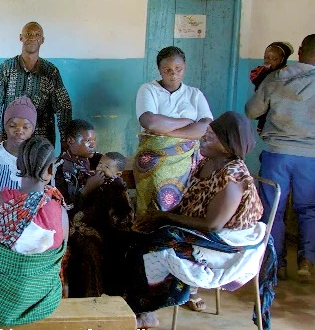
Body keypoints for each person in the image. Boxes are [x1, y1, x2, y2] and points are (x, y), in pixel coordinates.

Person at [124, 112, 273, 329]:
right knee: (132, 235)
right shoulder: (206, 162)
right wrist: (158, 217)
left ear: (226, 146)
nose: (203, 138)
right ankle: (130, 304)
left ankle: (148, 310)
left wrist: (165, 217)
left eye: (210, 136)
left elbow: (213, 225)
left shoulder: (232, 177)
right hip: (203, 231)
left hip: (222, 242)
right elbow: (190, 204)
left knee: (151, 248)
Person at [0, 136, 68, 326]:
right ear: (50, 170)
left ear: (17, 164)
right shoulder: (60, 212)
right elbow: (58, 261)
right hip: (41, 303)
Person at [246, 34, 315, 282]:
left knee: (272, 209)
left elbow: (253, 111)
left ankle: (277, 264)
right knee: (308, 209)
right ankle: (307, 261)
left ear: (298, 51)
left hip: (277, 153)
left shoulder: (277, 78)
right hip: (311, 157)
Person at [134, 46, 213, 213]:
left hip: (189, 154)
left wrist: (167, 130)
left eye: (178, 69)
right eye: (167, 70)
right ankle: (155, 227)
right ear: (159, 70)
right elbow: (151, 123)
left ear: (185, 67)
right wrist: (187, 121)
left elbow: (206, 127)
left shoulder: (194, 94)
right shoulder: (149, 90)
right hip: (155, 151)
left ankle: (183, 229)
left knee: (202, 180)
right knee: (158, 175)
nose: (173, 74)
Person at [0, 22, 72, 147]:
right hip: (9, 137)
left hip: (41, 140)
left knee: (39, 167)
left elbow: (63, 106)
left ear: (42, 40)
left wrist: (64, 139)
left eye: (37, 35)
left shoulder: (50, 71)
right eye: (28, 34)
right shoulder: (7, 67)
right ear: (21, 37)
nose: (32, 38)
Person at [66, 151, 135, 298]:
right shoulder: (94, 182)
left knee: (89, 250)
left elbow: (116, 215)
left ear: (118, 173)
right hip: (94, 228)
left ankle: (92, 296)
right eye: (100, 164)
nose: (101, 169)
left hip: (111, 234)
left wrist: (82, 222)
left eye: (107, 167)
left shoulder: (116, 188)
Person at [0, 96, 37, 191]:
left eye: (25, 127)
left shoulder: (37, 156)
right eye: (13, 126)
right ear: (5, 127)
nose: (19, 131)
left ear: (32, 130)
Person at [54, 119, 104, 214]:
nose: (93, 144)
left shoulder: (98, 160)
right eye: (88, 140)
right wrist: (87, 189)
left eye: (94, 140)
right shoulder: (60, 168)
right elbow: (63, 207)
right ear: (70, 141)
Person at [249, 41, 293, 132]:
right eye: (266, 57)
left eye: (274, 58)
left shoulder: (288, 74)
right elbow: (255, 80)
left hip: (279, 112)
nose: (269, 60)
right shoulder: (260, 71)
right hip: (263, 109)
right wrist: (266, 72)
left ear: (283, 59)